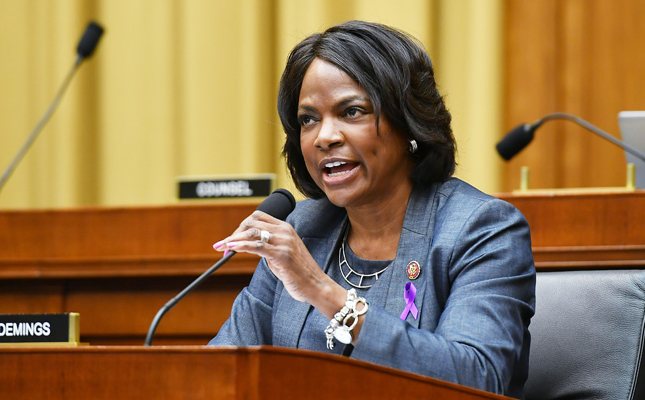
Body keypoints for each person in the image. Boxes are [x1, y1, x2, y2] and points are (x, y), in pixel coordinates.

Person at [209, 20, 535, 398]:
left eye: (351, 112)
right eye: (308, 119)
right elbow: (221, 369)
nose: (325, 137)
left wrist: (321, 291)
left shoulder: (481, 229)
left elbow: (475, 379)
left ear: (407, 122)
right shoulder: (302, 229)